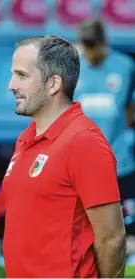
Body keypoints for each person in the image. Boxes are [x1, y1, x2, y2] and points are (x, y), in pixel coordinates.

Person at [3, 35, 126, 278]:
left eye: (22, 75)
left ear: (53, 84)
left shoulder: (84, 142)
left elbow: (112, 238)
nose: (11, 84)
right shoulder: (27, 137)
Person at [75, 19, 135, 263]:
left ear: (104, 44)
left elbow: (130, 110)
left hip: (119, 159)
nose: (90, 54)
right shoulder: (73, 67)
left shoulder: (125, 66)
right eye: (85, 48)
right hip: (82, 163)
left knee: (124, 220)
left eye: (94, 48)